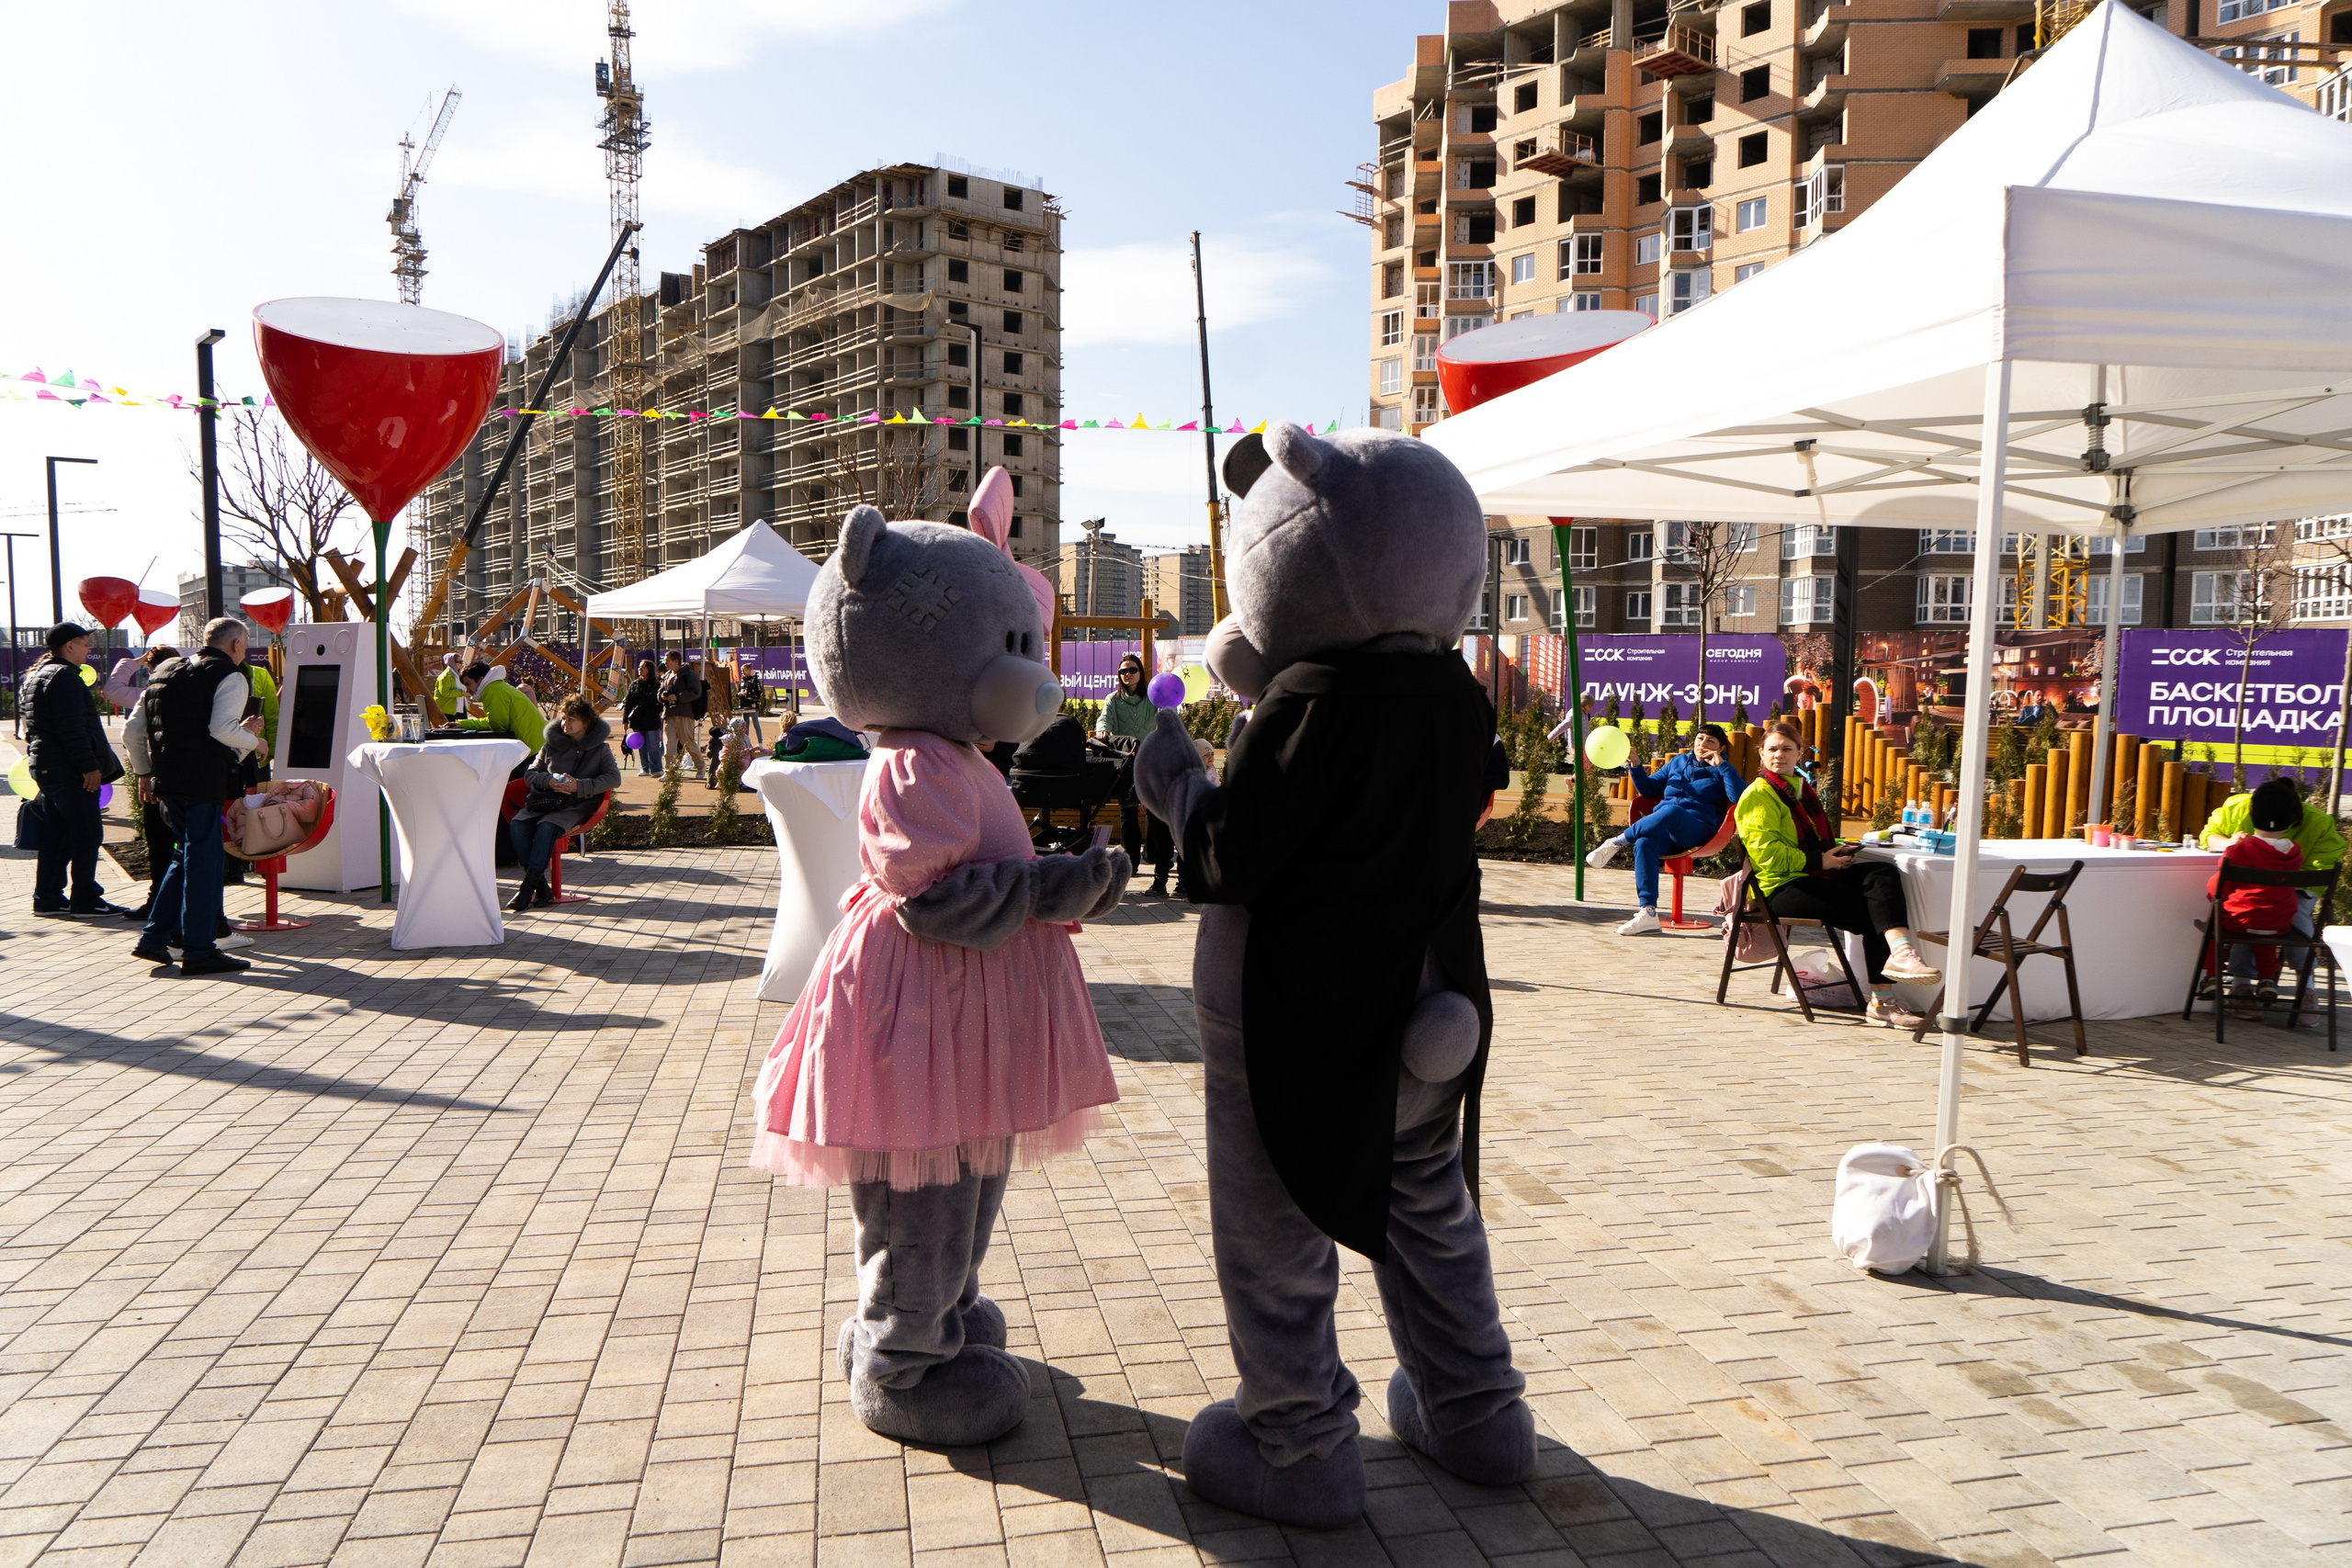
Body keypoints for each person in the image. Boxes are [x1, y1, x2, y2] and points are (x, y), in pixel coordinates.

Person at [1736, 719, 1939, 1024]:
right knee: (1874, 910)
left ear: (1800, 753)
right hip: (1779, 888)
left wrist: (1838, 851)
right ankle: (1882, 1002)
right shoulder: (1759, 794)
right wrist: (1821, 861)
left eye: (1787, 749)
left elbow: (1811, 838)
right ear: (1761, 753)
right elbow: (1768, 856)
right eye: (1772, 749)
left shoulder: (1798, 789)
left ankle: (1901, 952)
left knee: (1881, 874)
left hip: (1811, 874)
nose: (1779, 755)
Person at [126, 617, 266, 975]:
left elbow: (133, 732)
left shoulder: (164, 672)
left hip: (168, 782)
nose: (245, 651)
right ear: (235, 644)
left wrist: (144, 774)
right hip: (203, 782)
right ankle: (199, 951)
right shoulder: (231, 675)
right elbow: (221, 729)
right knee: (204, 866)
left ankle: (154, 939)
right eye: (245, 644)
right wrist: (255, 741)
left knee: (182, 857)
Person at [1587, 721, 1747, 936]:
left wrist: (1723, 767)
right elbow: (1649, 789)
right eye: (1700, 738)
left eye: (1711, 741)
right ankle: (1648, 913)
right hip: (1668, 830)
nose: (1703, 744)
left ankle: (1616, 842)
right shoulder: (1678, 762)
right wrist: (1636, 763)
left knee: (1673, 811)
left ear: (1721, 748)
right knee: (1644, 843)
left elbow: (1738, 797)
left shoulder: (1721, 770)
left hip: (1700, 830)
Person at [2201, 773, 2339, 1014]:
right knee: (2270, 918)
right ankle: (2275, 981)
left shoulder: (2239, 851)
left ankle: (2227, 980)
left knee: (2236, 916)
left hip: (2247, 913)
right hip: (2278, 915)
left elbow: (2217, 888)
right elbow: (2209, 835)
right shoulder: (2294, 850)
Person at [22, 621, 133, 919]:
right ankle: (86, 900)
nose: (88, 650)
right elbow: (72, 729)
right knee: (87, 833)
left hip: (47, 767)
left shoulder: (37, 675)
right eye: (84, 644)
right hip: (68, 769)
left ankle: (48, 898)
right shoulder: (65, 677)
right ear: (69, 646)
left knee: (57, 834)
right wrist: (89, 767)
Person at [507, 693, 620, 911]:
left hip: (576, 806)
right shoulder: (551, 745)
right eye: (563, 718)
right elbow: (531, 773)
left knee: (546, 828)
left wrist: (579, 786)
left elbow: (613, 779)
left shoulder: (600, 749)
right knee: (518, 825)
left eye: (571, 719)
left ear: (586, 722)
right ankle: (541, 888)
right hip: (545, 801)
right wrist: (549, 781)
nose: (565, 723)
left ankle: (526, 890)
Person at [1095, 653, 1172, 894]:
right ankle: (1130, 864)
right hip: (1127, 765)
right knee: (1127, 814)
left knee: (1156, 817)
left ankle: (1160, 872)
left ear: (1141, 672)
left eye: (1132, 670)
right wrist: (1103, 730)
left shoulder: (1153, 697)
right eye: (1122, 671)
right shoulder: (1113, 699)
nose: (1127, 674)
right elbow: (1104, 720)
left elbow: (1168, 719)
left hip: (1152, 763)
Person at [453, 660, 548, 758]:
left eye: (468, 684)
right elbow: (495, 721)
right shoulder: (497, 687)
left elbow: (498, 726)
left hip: (531, 748)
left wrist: (464, 725)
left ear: (480, 680)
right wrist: (463, 724)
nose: (467, 690)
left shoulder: (493, 691)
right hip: (538, 743)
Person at [659, 651, 705, 779]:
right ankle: (669, 772)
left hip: (684, 714)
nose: (665, 663)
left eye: (668, 660)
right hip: (669, 714)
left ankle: (700, 767)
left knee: (688, 743)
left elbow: (696, 692)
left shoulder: (688, 674)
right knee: (668, 745)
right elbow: (660, 692)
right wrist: (663, 696)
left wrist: (678, 697)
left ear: (676, 661)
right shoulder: (666, 675)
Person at [621, 658, 664, 775]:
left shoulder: (657, 685)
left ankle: (657, 769)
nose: (640, 669)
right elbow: (628, 702)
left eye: (643, 667)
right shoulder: (634, 684)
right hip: (637, 718)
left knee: (653, 745)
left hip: (651, 719)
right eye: (640, 667)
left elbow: (660, 702)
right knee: (641, 745)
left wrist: (655, 711)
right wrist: (625, 719)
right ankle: (645, 768)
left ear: (650, 669)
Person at [102, 644, 175, 711]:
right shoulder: (180, 691)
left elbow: (112, 691)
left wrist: (135, 662)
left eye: (149, 669)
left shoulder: (151, 696)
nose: (149, 673)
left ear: (157, 667)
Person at [433, 652, 465, 720]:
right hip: (448, 709)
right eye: (460, 662)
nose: (462, 664)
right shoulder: (445, 677)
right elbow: (445, 693)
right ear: (452, 663)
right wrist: (462, 693)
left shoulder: (459, 674)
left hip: (459, 707)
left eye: (462, 661)